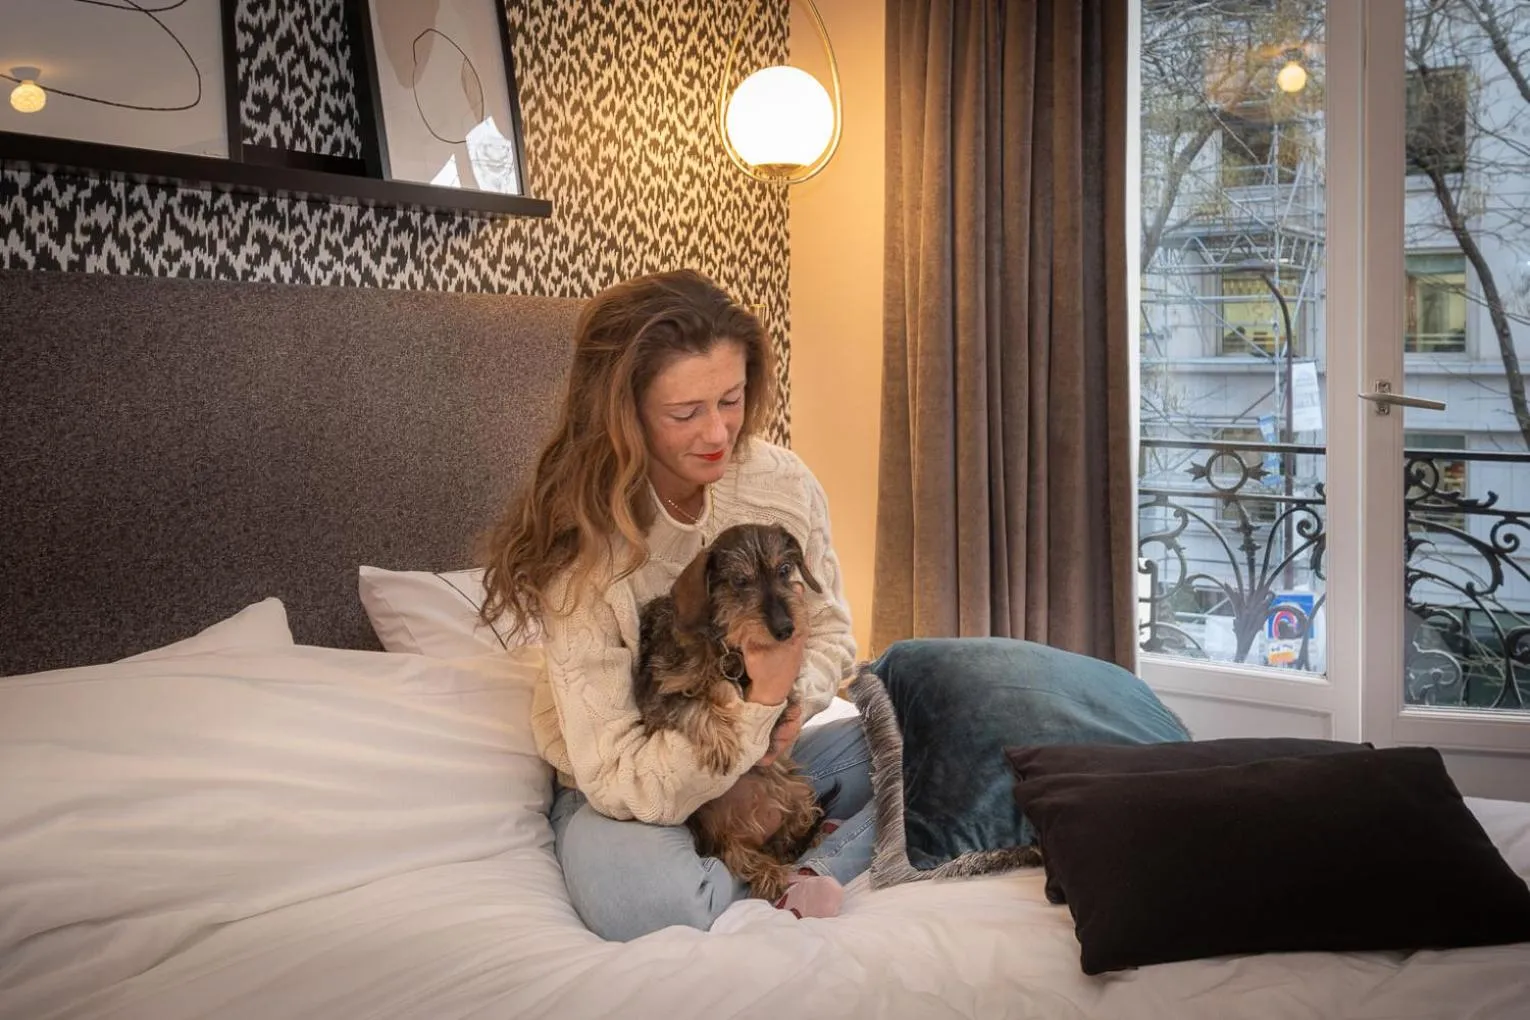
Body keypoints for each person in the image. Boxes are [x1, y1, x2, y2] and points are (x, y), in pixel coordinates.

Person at [479, 268, 876, 942]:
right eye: (685, 413)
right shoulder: (583, 546)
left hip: (768, 760)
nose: (719, 431)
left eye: (731, 397)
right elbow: (615, 776)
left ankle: (790, 872)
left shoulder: (778, 482)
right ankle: (808, 866)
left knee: (943, 736)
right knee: (639, 898)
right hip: (639, 788)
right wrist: (754, 705)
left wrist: (793, 703)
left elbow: (832, 626)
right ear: (623, 413)